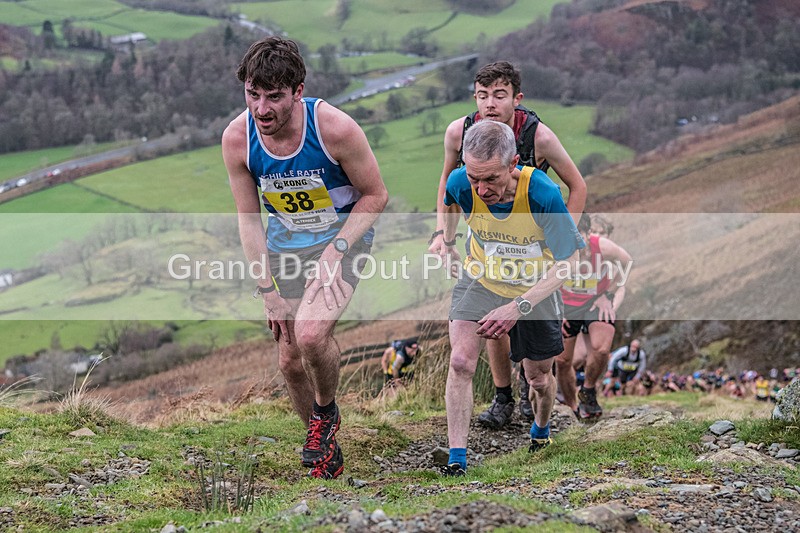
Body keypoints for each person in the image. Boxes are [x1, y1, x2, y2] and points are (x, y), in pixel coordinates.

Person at [222, 37, 388, 480]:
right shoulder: (238, 139)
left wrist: (337, 251)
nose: (262, 109)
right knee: (290, 361)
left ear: (298, 91)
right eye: (253, 95)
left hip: (343, 239)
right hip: (286, 248)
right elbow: (250, 221)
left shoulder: (334, 128)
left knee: (312, 336)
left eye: (274, 96)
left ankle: (326, 412)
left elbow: (375, 196)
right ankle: (321, 446)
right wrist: (267, 292)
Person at [429, 61, 586, 428]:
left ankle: (530, 386)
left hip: (534, 240)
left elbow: (578, 186)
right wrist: (443, 235)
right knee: (490, 319)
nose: (490, 104)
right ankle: (503, 398)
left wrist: (562, 236)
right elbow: (448, 184)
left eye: (499, 95)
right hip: (489, 236)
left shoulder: (539, 137)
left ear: (517, 99)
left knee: (527, 320)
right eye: (482, 95)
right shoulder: (459, 132)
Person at [438, 120, 583, 475]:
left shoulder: (541, 193)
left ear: (514, 163)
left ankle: (541, 429)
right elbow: (450, 204)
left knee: (537, 379)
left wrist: (518, 307)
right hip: (481, 277)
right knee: (460, 362)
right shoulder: (461, 181)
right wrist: (445, 240)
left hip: (534, 288)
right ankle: (456, 459)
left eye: (491, 179)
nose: (482, 189)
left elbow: (569, 262)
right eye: (475, 178)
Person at [555, 213, 631, 420]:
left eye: (579, 237)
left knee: (601, 348)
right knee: (563, 361)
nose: (575, 244)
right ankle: (572, 406)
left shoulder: (603, 247)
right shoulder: (556, 247)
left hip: (595, 301)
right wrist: (554, 308)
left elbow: (627, 262)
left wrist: (608, 294)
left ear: (588, 234)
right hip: (566, 305)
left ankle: (588, 391)